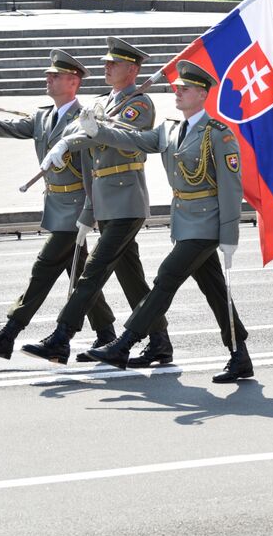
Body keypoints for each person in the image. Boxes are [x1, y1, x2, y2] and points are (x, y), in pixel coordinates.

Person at [77, 61, 253, 383]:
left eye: (185, 89)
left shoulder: (218, 134)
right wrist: (97, 130)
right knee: (214, 289)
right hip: (184, 223)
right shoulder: (170, 128)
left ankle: (125, 343)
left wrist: (230, 235)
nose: (178, 91)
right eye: (177, 87)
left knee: (166, 277)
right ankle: (239, 355)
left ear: (201, 95)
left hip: (207, 224)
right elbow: (135, 140)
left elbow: (231, 187)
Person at [0, 52, 118, 359]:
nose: (49, 79)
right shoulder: (45, 116)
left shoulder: (86, 119)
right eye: (49, 75)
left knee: (43, 268)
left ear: (74, 81)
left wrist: (90, 212)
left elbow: (92, 171)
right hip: (56, 205)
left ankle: (10, 332)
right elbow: (9, 127)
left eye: (56, 76)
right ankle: (107, 333)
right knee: (79, 274)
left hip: (76, 209)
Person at [24, 38, 169, 367]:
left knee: (92, 272)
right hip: (105, 199)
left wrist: (95, 128)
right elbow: (88, 151)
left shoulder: (140, 104)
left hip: (127, 198)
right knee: (132, 279)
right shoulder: (104, 102)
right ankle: (160, 342)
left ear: (132, 70)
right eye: (105, 63)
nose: (106, 67)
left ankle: (61, 337)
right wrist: (70, 141)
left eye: (113, 64)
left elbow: (127, 139)